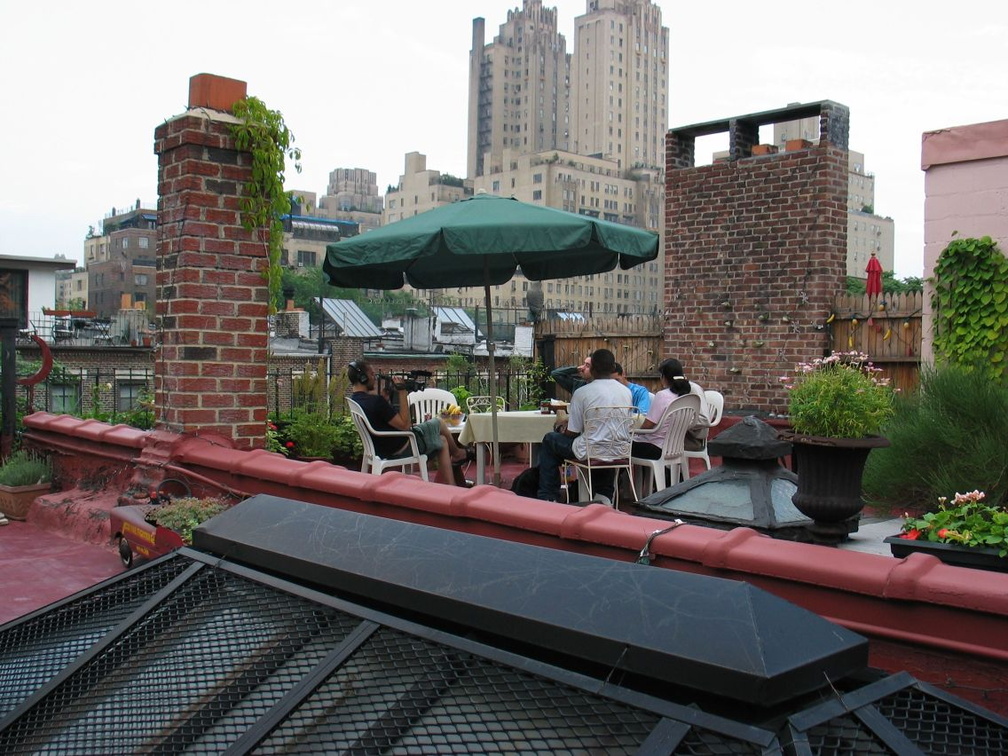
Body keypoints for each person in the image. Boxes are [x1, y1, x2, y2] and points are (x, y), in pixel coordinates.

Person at [348, 359, 471, 486]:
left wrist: (386, 402)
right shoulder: (376, 402)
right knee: (439, 422)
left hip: (381, 448)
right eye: (371, 374)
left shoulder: (356, 401)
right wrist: (402, 392)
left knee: (442, 441)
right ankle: (457, 453)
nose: (374, 378)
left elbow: (382, 419)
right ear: (363, 378)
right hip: (402, 446)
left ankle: (451, 486)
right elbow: (405, 425)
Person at [536, 348, 632, 502]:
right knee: (604, 442)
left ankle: (548, 497)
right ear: (614, 368)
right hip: (619, 449)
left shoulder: (583, 392)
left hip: (590, 450)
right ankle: (604, 495)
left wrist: (561, 429)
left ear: (592, 369)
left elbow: (572, 433)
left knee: (550, 440)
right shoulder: (626, 392)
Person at [632, 358, 710, 461]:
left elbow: (648, 426)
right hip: (675, 446)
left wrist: (634, 431)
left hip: (658, 447)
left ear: (663, 377)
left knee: (623, 446)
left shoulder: (663, 395)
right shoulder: (686, 394)